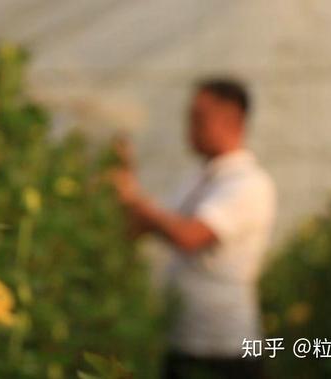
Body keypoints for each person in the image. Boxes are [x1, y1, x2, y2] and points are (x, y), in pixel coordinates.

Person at [110, 78, 276, 379]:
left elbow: (189, 236)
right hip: (183, 338)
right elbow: (155, 223)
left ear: (232, 119)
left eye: (199, 118)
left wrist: (133, 195)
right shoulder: (199, 178)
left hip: (225, 347)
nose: (189, 127)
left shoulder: (249, 183)